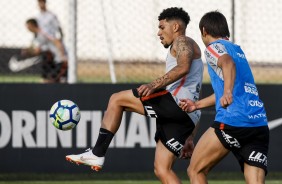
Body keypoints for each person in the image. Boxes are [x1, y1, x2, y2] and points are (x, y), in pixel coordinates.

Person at [66, 7, 204, 183]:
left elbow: (183, 67)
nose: (158, 33)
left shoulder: (182, 41)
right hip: (187, 115)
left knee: (117, 99)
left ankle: (97, 152)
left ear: (175, 27)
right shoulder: (185, 46)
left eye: (162, 27)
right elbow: (194, 99)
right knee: (162, 169)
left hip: (175, 103)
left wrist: (153, 85)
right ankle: (96, 153)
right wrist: (190, 137)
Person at [179, 11, 269, 184]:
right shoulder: (238, 50)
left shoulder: (213, 48)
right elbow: (229, 86)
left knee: (195, 170)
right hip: (258, 125)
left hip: (232, 122)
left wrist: (227, 91)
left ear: (204, 31)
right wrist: (196, 105)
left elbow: (227, 63)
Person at [23, 18, 67, 83]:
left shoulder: (44, 32)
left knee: (54, 80)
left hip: (59, 59)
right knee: (48, 79)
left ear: (31, 25)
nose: (27, 29)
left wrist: (63, 57)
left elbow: (57, 42)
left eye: (27, 26)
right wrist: (29, 51)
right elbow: (38, 51)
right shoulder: (36, 37)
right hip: (50, 60)